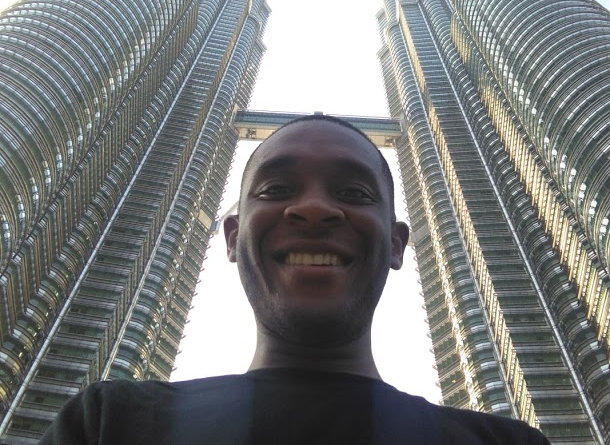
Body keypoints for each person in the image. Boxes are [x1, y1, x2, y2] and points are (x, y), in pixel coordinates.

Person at [38, 115, 551, 444]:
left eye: (353, 192)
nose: (312, 208)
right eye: (277, 187)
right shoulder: (110, 426)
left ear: (396, 243)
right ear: (233, 237)